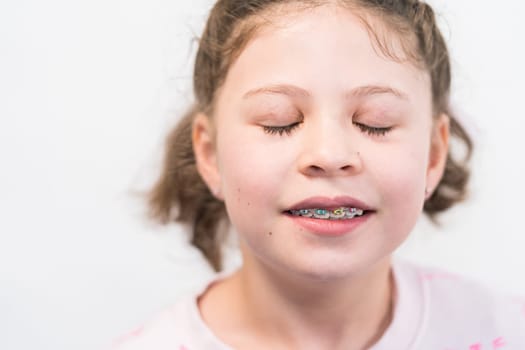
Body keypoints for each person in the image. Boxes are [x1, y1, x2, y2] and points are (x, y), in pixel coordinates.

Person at [111, 0, 525, 349]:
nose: (329, 155)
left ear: (434, 155)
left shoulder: (504, 332)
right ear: (209, 153)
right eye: (280, 121)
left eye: (375, 123)